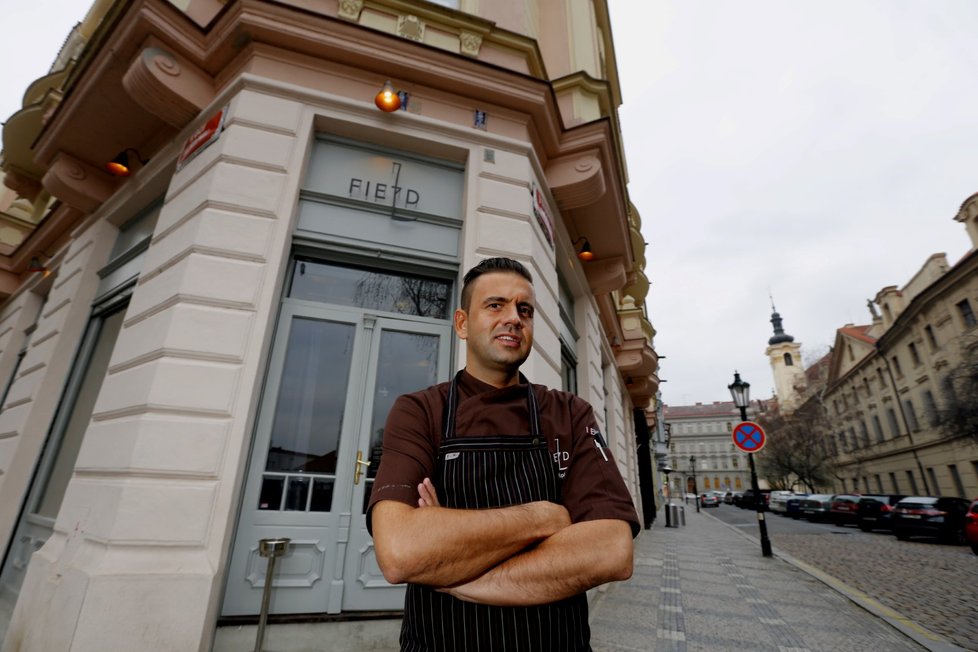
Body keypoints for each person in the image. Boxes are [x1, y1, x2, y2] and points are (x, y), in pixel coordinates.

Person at [367, 257, 639, 652]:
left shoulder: (568, 413)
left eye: (524, 309)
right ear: (462, 323)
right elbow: (401, 552)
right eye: (495, 305)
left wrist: (454, 571)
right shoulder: (420, 411)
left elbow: (611, 550)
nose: (513, 318)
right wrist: (545, 517)